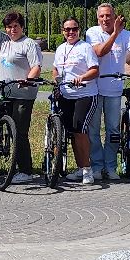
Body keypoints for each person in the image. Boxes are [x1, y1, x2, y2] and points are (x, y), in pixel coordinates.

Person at [85, 2, 130, 184]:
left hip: (114, 89)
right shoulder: (92, 33)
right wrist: (115, 33)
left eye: (109, 15)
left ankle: (111, 166)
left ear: (114, 16)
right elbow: (99, 51)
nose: (105, 19)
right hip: (95, 88)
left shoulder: (127, 34)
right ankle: (97, 166)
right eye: (102, 16)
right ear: (97, 18)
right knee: (93, 129)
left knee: (113, 130)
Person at [0, 7, 43, 182]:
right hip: (6, 92)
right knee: (4, 128)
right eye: (9, 26)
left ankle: (26, 171)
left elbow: (36, 66)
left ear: (22, 27)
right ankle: (4, 164)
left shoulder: (29, 44)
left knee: (19, 131)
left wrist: (28, 79)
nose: (13, 29)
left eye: (16, 25)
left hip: (24, 94)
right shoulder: (4, 42)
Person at [49, 16, 100, 182]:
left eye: (74, 29)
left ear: (79, 30)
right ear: (63, 31)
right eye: (67, 29)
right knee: (71, 132)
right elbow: (55, 69)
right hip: (65, 95)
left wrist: (82, 77)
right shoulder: (60, 49)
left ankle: (87, 170)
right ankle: (80, 167)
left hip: (84, 95)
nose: (71, 32)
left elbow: (95, 70)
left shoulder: (85, 48)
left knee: (80, 130)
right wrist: (57, 82)